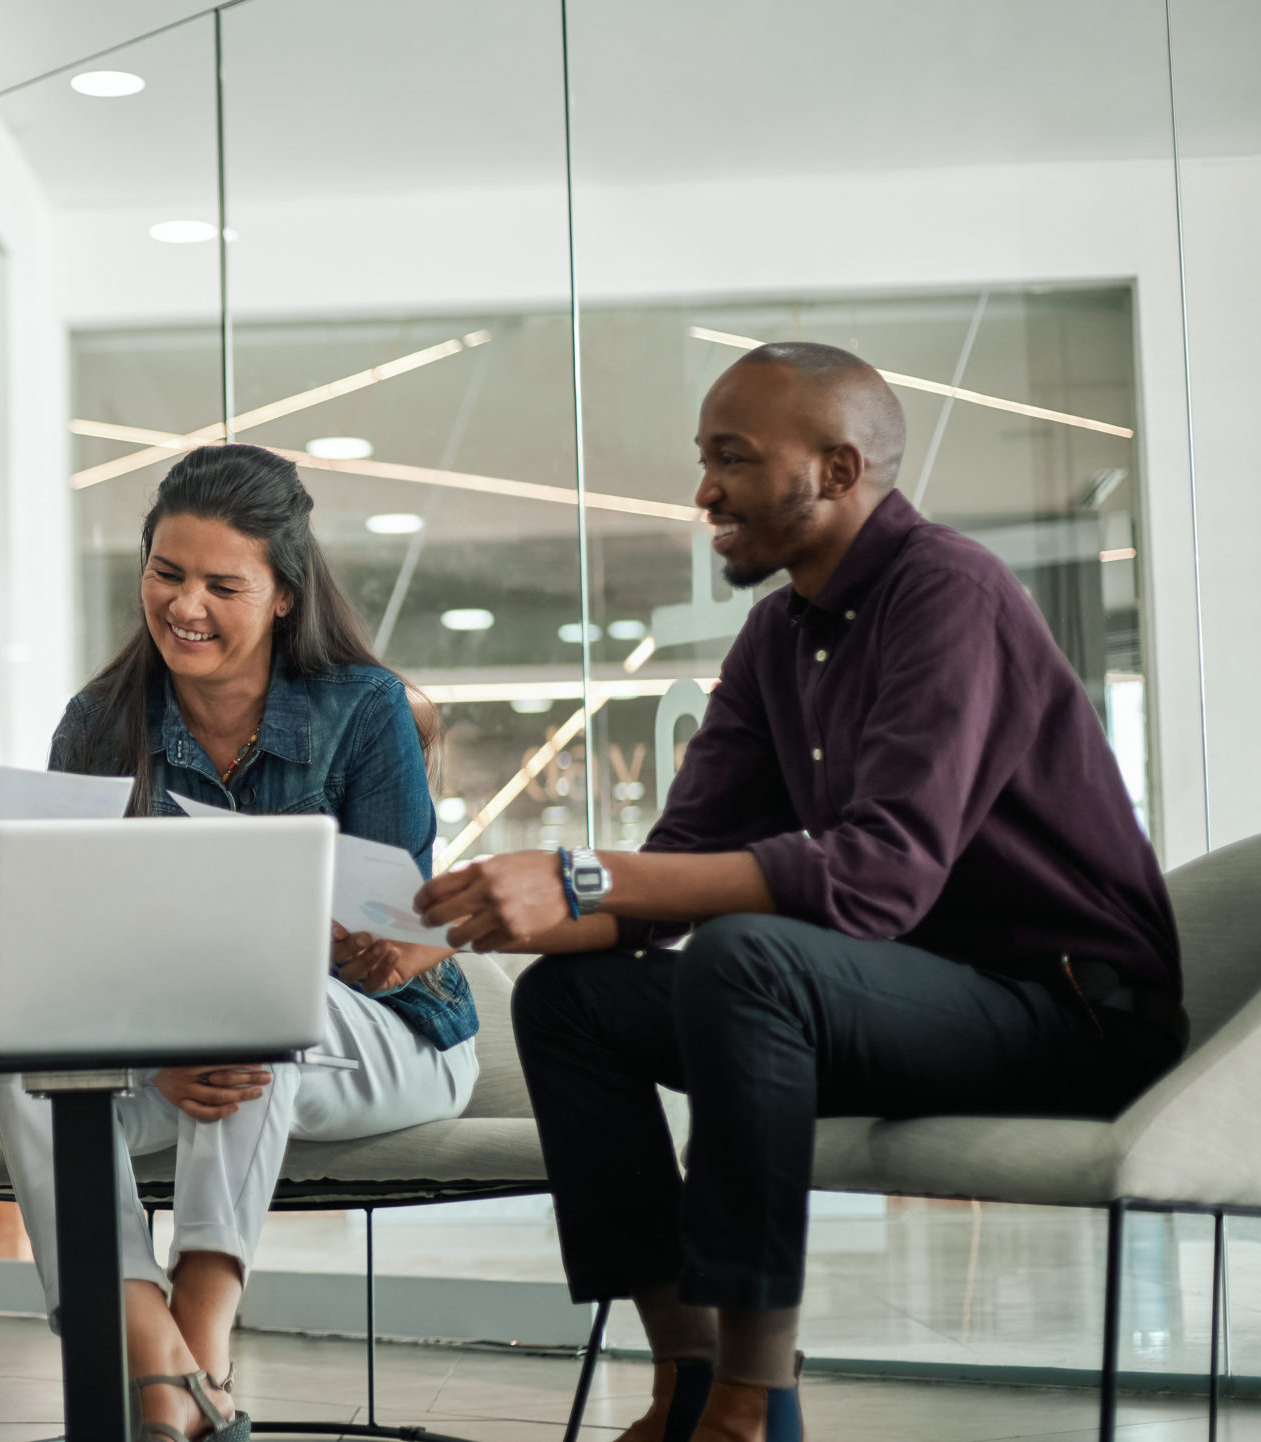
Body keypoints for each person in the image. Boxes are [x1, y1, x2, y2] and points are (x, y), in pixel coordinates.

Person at [415, 343, 1184, 1442]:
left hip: (1068, 1011)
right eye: (703, 458)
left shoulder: (948, 590)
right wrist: (471, 923)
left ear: (837, 468)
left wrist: (583, 872)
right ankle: (681, 1374)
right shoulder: (778, 636)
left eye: (731, 457)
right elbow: (675, 866)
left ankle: (752, 1397)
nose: (704, 491)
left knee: (749, 957)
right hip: (903, 997)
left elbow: (876, 875)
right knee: (567, 998)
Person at [0, 444, 483, 1442]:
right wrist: (148, 1041)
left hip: (387, 1034)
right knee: (22, 1061)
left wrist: (356, 943)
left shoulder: (363, 707)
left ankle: (199, 1345)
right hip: (167, 1034)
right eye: (167, 574)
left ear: (285, 595)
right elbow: (69, 933)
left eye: (222, 584)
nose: (184, 606)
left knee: (238, 1009)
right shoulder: (98, 722)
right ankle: (153, 1361)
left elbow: (400, 917)